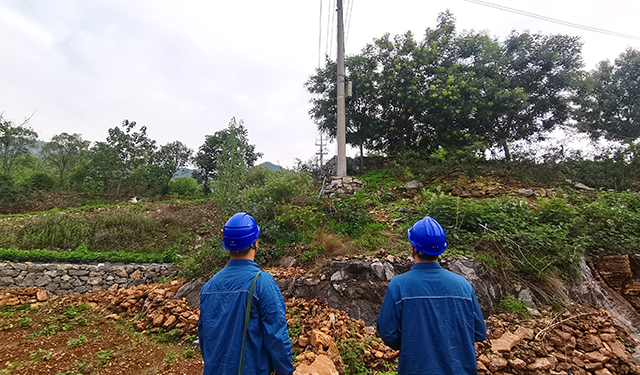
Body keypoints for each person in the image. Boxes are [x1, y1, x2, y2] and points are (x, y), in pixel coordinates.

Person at [377, 216, 487, 375]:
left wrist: (412, 343)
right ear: (442, 250)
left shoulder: (399, 286)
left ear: (412, 248)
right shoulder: (464, 286)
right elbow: (479, 333)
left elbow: (387, 332)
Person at [199, 212, 294, 375]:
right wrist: (285, 371)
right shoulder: (262, 282)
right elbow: (277, 336)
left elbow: (204, 337)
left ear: (226, 246)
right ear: (255, 243)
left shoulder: (208, 286)